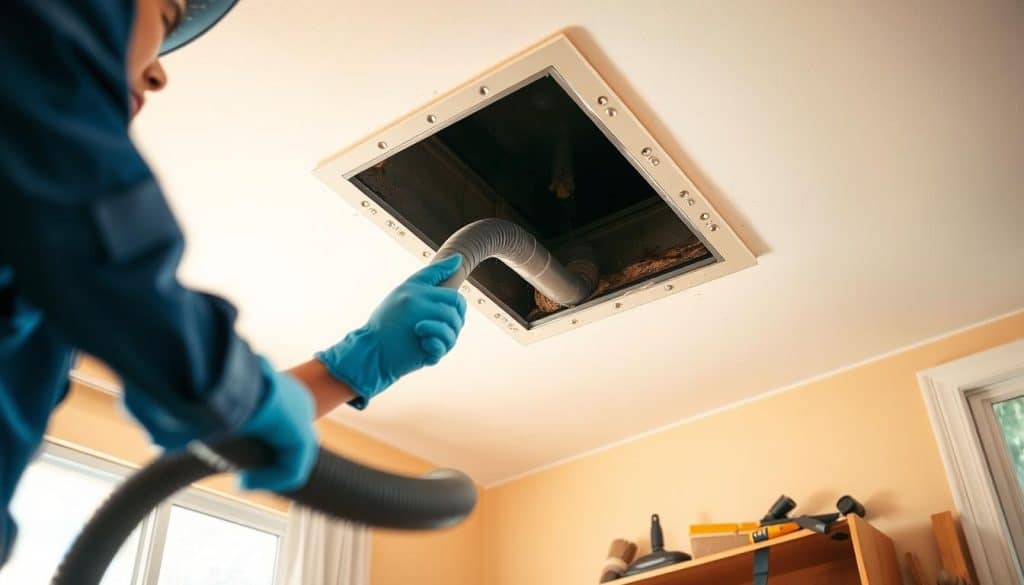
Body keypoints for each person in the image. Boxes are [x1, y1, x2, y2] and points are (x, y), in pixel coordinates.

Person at [0, 0, 468, 566]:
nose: (158, 72)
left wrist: (352, 365)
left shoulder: (38, 263)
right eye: (167, 18)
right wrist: (237, 388)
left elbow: (185, 376)